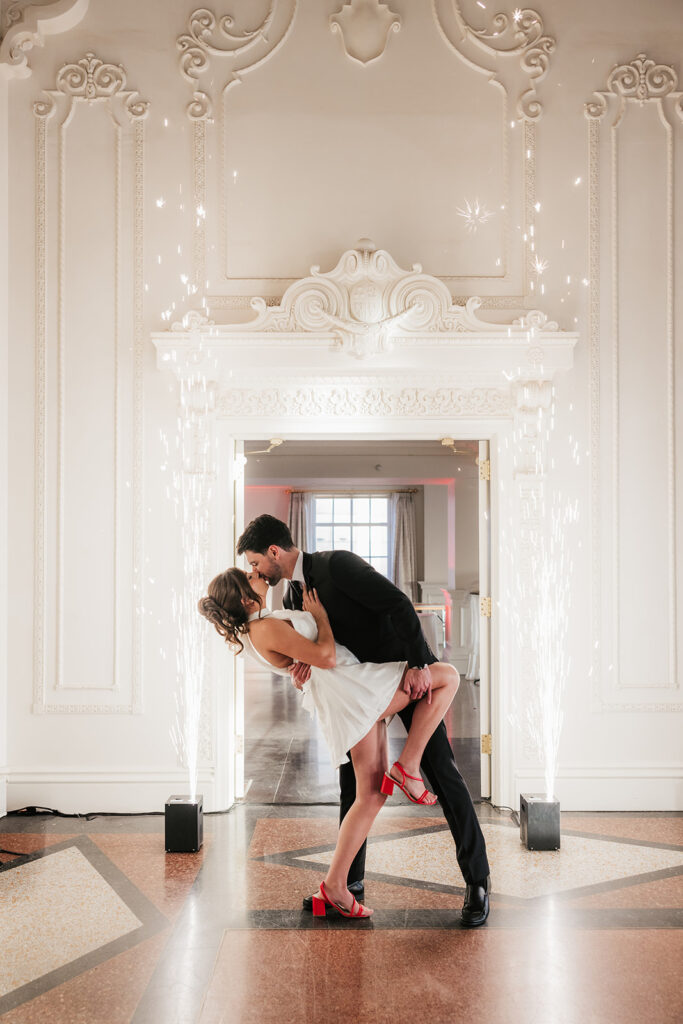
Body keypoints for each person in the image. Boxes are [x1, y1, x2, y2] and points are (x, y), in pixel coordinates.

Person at [237, 514, 491, 926]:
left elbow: (397, 604)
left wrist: (420, 664)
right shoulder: (287, 600)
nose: (256, 571)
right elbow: (320, 650)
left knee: (443, 773)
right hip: (353, 696)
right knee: (352, 786)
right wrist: (304, 668)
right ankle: (347, 884)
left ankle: (477, 881)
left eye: (255, 562)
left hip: (400, 677)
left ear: (274, 552)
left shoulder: (336, 564)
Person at [199, 567, 460, 918]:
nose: (254, 571)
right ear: (246, 598)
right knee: (446, 676)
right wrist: (319, 617)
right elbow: (327, 657)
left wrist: (301, 663)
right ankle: (409, 767)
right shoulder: (265, 627)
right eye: (248, 575)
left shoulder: (256, 629)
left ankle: (334, 887)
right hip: (353, 691)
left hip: (347, 692)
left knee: (371, 794)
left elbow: (305, 659)